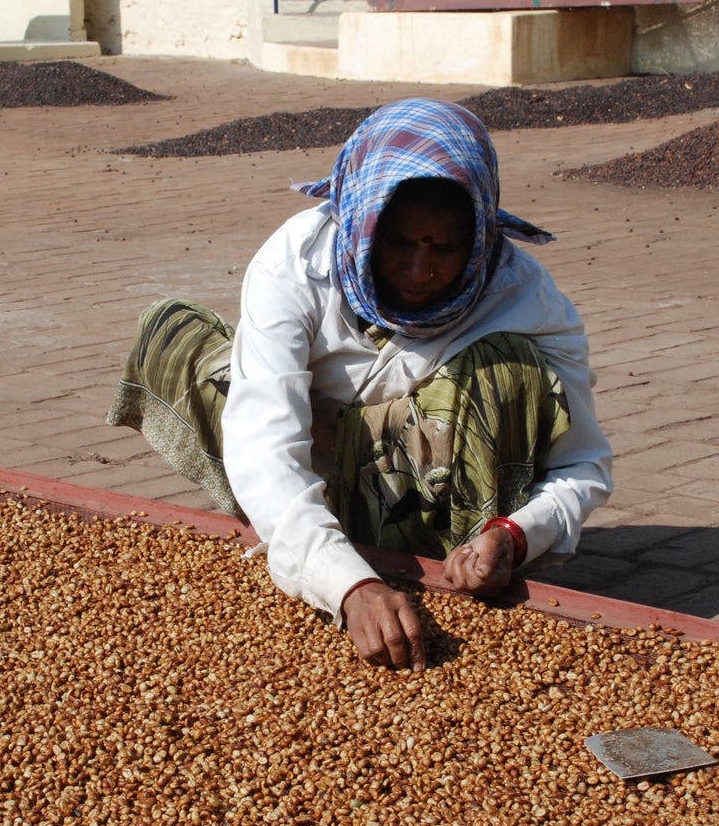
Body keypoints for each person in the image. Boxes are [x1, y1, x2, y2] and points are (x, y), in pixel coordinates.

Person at [108, 99, 612, 671]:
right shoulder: (295, 264)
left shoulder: (524, 297)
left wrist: (516, 534)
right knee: (176, 332)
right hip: (317, 466)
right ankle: (307, 534)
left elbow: (584, 465)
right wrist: (348, 586)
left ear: (481, 235)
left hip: (433, 492)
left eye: (447, 248)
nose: (421, 271)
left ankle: (440, 553)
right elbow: (265, 444)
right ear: (361, 219)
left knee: (510, 365)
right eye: (398, 242)